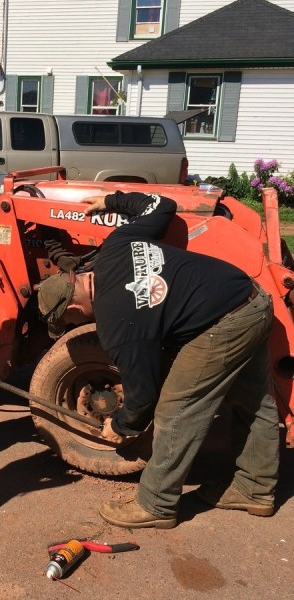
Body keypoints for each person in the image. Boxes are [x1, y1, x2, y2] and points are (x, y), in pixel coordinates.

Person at [37, 190, 280, 529]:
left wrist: (121, 425)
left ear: (74, 309)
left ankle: (156, 504)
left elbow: (144, 392)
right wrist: (111, 201)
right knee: (254, 402)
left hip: (224, 323)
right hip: (252, 299)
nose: (75, 325)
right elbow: (160, 206)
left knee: (177, 409)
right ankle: (254, 489)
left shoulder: (117, 324)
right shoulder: (116, 245)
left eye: (70, 322)